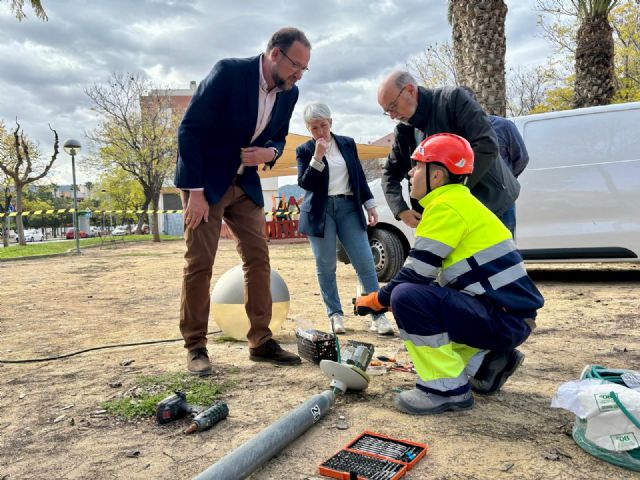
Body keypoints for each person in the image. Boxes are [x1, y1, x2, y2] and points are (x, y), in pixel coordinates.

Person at [354, 133, 543, 415]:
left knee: (406, 297)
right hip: (510, 317)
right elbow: (434, 280)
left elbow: (414, 275)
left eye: (418, 166)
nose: (410, 173)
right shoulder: (461, 202)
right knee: (419, 300)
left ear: (437, 175)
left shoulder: (445, 207)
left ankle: (444, 390)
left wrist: (376, 300)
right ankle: (487, 363)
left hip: (503, 320)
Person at [174, 27, 311, 375]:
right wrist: (195, 192)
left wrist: (271, 152)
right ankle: (195, 346)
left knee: (258, 258)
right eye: (296, 65)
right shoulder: (229, 73)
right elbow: (190, 129)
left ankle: (260, 341)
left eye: (304, 69)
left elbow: (278, 137)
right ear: (275, 54)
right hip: (206, 182)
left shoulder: (289, 93)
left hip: (245, 183)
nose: (299, 74)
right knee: (200, 263)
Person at [296, 102, 394, 335]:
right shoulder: (304, 150)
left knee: (365, 261)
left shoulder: (347, 143)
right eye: (314, 128)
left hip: (349, 206)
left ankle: (377, 314)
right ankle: (335, 314)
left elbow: (358, 176)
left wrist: (370, 205)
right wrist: (317, 157)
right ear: (308, 129)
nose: (320, 131)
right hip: (320, 211)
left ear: (331, 122)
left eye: (323, 125)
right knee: (326, 265)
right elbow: (305, 183)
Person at [377, 71, 519, 230]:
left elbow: (486, 145)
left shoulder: (453, 99)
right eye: (387, 111)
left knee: (497, 247)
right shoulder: (404, 130)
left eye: (393, 106)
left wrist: (452, 193)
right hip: (446, 214)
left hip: (490, 203)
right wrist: (401, 210)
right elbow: (389, 174)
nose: (392, 116)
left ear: (410, 90)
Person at [460, 86, 529, 235]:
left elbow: (521, 159)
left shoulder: (504, 126)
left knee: (505, 244)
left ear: (475, 104)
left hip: (502, 201)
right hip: (473, 202)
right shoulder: (456, 134)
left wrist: (504, 179)